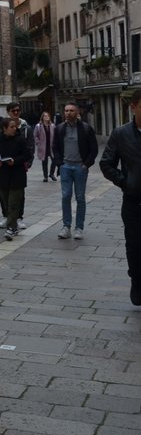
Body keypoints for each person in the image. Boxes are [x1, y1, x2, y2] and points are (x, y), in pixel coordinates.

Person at [99, 89, 141, 306]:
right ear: (133, 107)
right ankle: (137, 280)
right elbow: (106, 163)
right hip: (134, 202)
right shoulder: (121, 134)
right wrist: (125, 182)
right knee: (135, 246)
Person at [52, 99, 98, 240]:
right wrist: (60, 164)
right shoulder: (59, 128)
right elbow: (55, 148)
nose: (68, 113)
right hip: (66, 167)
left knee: (80, 198)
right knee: (66, 196)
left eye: (71, 110)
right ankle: (66, 227)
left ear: (77, 112)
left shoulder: (86, 128)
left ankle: (79, 228)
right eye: (66, 110)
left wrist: (86, 165)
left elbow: (93, 149)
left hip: (80, 167)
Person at [0, 115, 28, 240]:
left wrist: (15, 161)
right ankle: (11, 225)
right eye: (11, 127)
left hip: (17, 175)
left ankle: (12, 228)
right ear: (4, 128)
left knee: (14, 203)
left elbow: (27, 155)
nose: (14, 129)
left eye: (15, 126)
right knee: (6, 202)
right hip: (3, 176)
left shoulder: (20, 140)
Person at [33, 111, 58, 182]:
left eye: (48, 116)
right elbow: (35, 136)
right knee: (44, 162)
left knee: (55, 160)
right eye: (45, 116)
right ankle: (45, 176)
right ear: (42, 118)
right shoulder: (38, 126)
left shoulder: (52, 125)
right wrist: (38, 143)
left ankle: (51, 173)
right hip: (43, 146)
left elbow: (56, 135)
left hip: (51, 147)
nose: (46, 117)